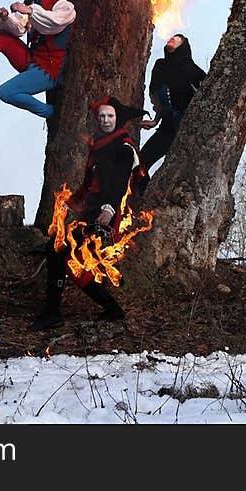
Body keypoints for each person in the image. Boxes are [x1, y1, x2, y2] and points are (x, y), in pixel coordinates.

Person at [33, 96, 149, 330]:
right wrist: (71, 203)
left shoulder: (124, 148)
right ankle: (110, 309)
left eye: (110, 116)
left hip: (108, 217)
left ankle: (55, 312)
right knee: (66, 258)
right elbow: (89, 184)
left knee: (60, 253)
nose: (106, 120)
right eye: (102, 117)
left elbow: (119, 184)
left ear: (118, 119)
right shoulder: (98, 146)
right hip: (91, 213)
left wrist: (108, 210)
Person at [138, 33, 206, 185]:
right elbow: (160, 96)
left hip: (187, 130)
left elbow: (208, 95)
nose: (172, 38)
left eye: (177, 38)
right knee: (140, 165)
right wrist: (155, 120)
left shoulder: (193, 71)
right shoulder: (160, 66)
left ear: (183, 45)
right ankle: (141, 204)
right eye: (171, 37)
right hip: (167, 128)